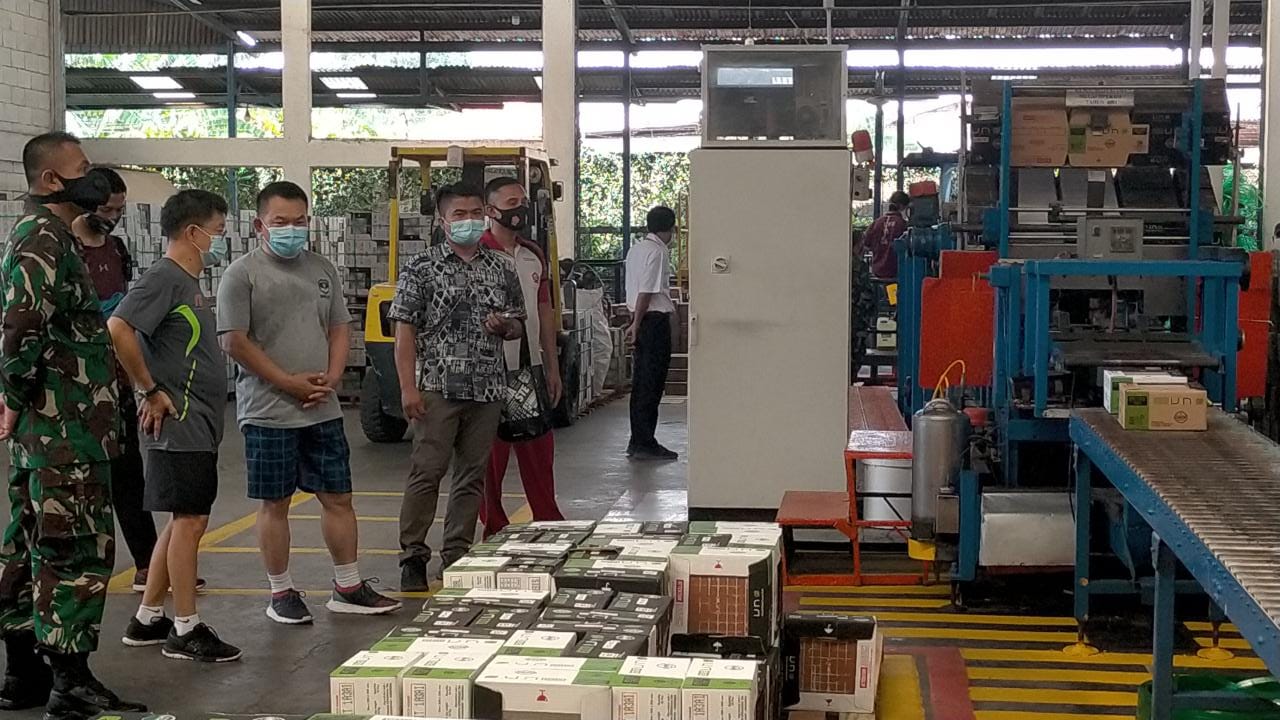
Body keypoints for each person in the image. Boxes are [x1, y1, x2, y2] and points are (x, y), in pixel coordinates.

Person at [0, 131, 145, 718]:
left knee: (28, 545)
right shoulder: (42, 237)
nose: (95, 178)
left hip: (60, 428)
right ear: (51, 180)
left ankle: (25, 675)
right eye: (82, 168)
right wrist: (13, 395)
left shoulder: (51, 234)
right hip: (66, 429)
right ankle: (70, 683)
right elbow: (21, 326)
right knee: (75, 551)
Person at [218, 181, 400, 625]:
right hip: (268, 411)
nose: (292, 229)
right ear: (260, 225)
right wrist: (286, 382)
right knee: (275, 503)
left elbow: (339, 327)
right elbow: (233, 341)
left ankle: (348, 586)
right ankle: (281, 592)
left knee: (338, 497)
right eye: (281, 222)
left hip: (322, 407)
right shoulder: (241, 274)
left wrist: (333, 377)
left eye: (299, 221)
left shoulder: (322, 268)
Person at [108, 189, 240, 663]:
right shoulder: (164, 278)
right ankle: (185, 626)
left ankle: (148, 618)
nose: (221, 240)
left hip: (198, 422)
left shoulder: (189, 282)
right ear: (193, 232)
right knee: (191, 521)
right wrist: (149, 390)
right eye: (218, 232)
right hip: (179, 421)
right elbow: (118, 327)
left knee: (181, 518)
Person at [388, 183, 524, 591]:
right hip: (437, 388)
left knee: (471, 476)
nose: (469, 221)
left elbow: (519, 323)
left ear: (486, 214)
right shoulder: (421, 268)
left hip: (487, 390)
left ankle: (457, 554)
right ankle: (413, 557)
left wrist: (506, 326)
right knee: (427, 473)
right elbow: (404, 332)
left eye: (475, 213)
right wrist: (408, 388)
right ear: (442, 220)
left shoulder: (501, 267)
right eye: (459, 214)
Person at [477, 176, 565, 538]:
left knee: (538, 448)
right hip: (486, 372)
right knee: (488, 456)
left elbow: (544, 311)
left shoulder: (533, 255)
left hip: (529, 368)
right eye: (511, 203)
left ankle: (549, 520)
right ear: (491, 210)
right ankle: (493, 524)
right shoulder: (475, 254)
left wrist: (552, 367)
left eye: (523, 202)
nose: (520, 210)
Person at [624, 206, 679, 461]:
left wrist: (634, 321)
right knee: (652, 383)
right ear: (670, 228)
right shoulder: (658, 252)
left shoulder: (636, 249)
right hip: (652, 321)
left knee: (641, 383)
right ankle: (645, 442)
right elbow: (646, 291)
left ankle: (637, 440)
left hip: (640, 318)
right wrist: (637, 324)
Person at [857, 191, 910, 280]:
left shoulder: (876, 223)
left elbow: (864, 245)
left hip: (877, 272)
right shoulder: (903, 224)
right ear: (902, 206)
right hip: (896, 272)